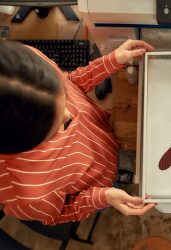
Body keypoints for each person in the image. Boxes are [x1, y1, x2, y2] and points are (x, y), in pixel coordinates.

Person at [0, 39, 156, 225]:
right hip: (100, 182)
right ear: (26, 142)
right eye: (55, 125)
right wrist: (103, 197)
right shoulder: (27, 195)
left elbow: (70, 83)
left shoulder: (22, 67)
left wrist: (111, 61)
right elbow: (60, 213)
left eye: (64, 98)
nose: (69, 114)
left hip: (103, 141)